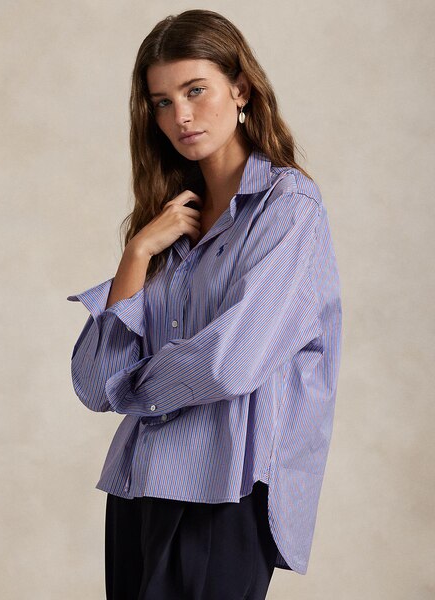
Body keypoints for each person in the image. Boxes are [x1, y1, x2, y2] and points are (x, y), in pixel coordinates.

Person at [67, 8, 342, 600]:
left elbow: (228, 364)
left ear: (240, 89)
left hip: (224, 488)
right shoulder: (169, 223)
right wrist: (138, 253)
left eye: (196, 91)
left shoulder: (287, 208)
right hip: (138, 485)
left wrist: (131, 388)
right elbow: (93, 383)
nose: (181, 116)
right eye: (162, 102)